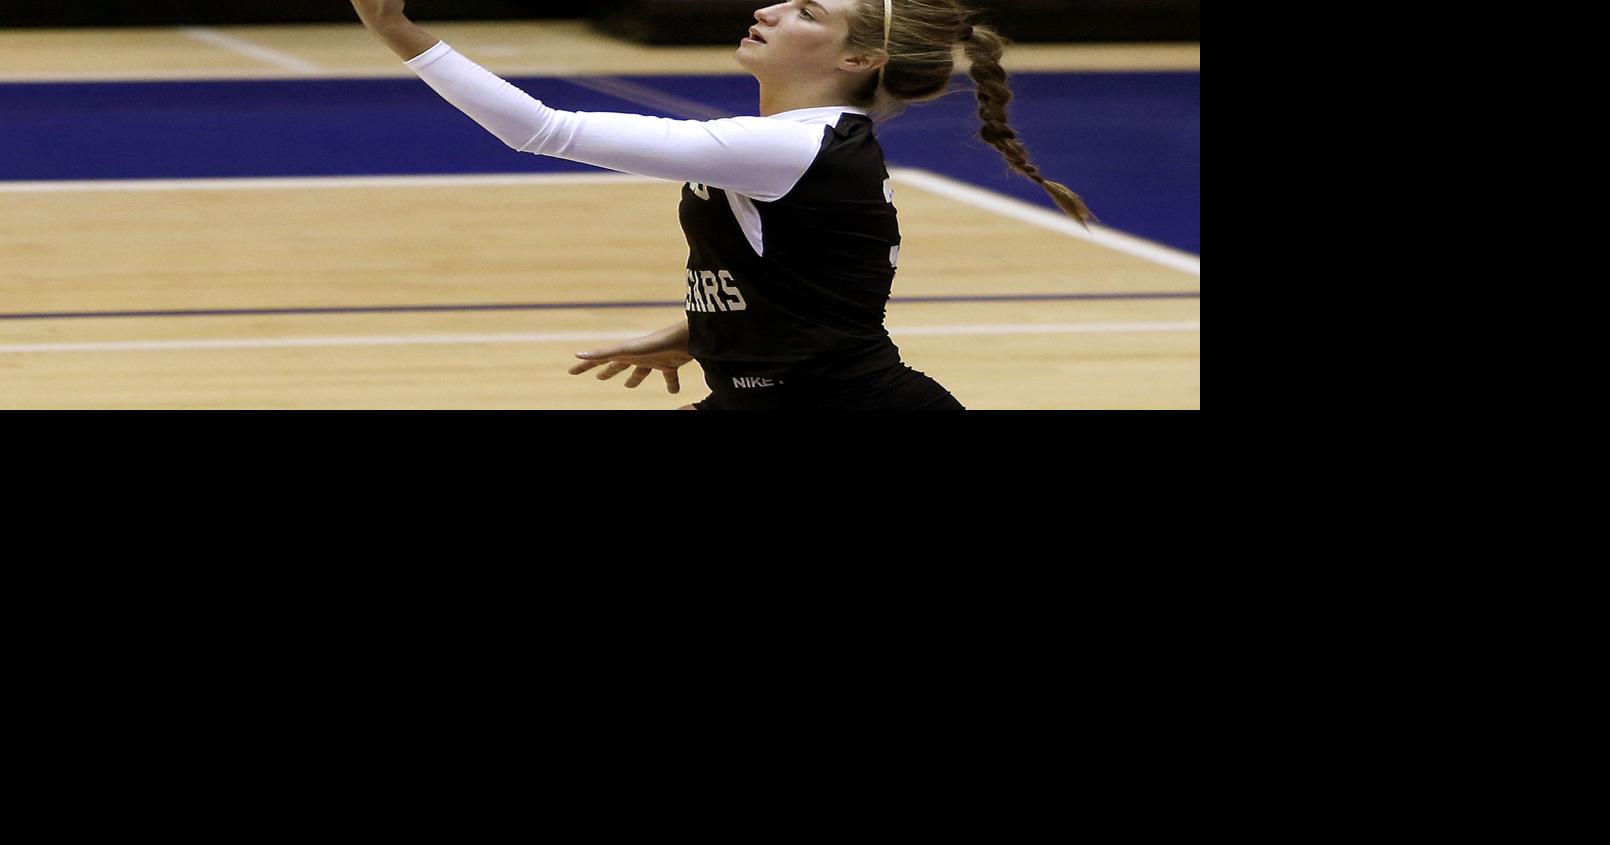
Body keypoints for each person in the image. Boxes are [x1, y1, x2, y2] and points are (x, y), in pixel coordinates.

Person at [351, 0, 1093, 410]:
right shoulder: (811, 143)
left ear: (859, 60)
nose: (768, 10)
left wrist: (397, 29)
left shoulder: (788, 147)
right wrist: (708, 329)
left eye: (805, 11)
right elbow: (819, 283)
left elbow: (544, 129)